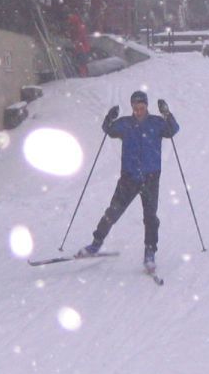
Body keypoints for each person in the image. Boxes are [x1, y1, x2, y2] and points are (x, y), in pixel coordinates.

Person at [76, 90, 179, 273]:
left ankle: (149, 253)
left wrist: (167, 113)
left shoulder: (156, 123)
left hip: (151, 178)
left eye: (141, 107)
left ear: (146, 106)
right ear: (132, 107)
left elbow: (173, 130)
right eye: (135, 108)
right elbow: (108, 130)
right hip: (129, 178)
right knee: (112, 212)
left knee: (150, 218)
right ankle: (95, 243)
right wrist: (110, 117)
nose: (138, 111)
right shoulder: (125, 124)